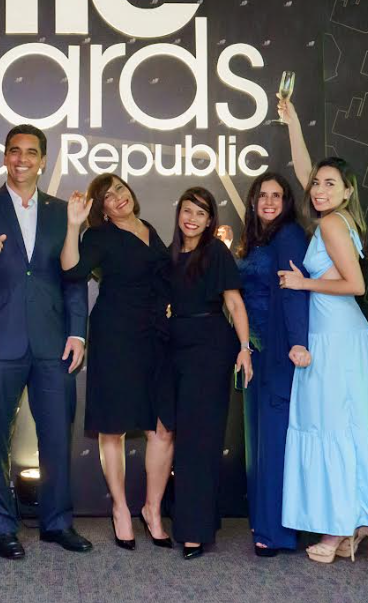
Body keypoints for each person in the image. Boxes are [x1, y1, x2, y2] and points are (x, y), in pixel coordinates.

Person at [0, 125, 91, 560]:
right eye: (14, 151)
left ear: (43, 160)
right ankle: (2, 526)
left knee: (57, 436)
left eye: (30, 152)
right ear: (5, 157)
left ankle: (57, 522)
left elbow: (74, 277)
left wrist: (77, 331)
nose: (21, 159)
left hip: (52, 342)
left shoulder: (64, 211)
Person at [278, 97, 368, 564]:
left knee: (331, 429)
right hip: (340, 336)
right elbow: (306, 171)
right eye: (316, 183)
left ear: (347, 192)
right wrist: (293, 123)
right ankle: (355, 524)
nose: (319, 189)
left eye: (331, 184)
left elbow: (355, 285)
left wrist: (301, 282)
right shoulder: (340, 218)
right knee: (343, 429)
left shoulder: (330, 224)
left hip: (337, 339)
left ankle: (336, 531)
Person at [61, 174, 173, 550]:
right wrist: (73, 226)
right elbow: (72, 271)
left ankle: (152, 510)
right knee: (113, 428)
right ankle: (121, 509)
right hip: (116, 337)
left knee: (162, 427)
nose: (118, 198)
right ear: (103, 209)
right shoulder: (99, 236)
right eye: (108, 197)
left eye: (120, 189)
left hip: (155, 337)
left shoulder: (149, 228)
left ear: (130, 191)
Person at [165, 186, 253, 559]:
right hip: (175, 349)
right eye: (188, 210)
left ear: (209, 220)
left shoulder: (215, 252)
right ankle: (199, 520)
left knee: (199, 441)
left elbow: (234, 302)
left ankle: (194, 532)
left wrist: (245, 348)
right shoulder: (170, 254)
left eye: (201, 213)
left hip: (210, 349)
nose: (192, 219)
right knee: (184, 439)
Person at [234, 173, 311, 557]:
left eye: (276, 195)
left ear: (287, 202)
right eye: (262, 195)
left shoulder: (289, 236)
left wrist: (298, 342)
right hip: (255, 352)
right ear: (253, 200)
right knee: (258, 442)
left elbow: (295, 292)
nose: (268, 201)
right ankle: (263, 521)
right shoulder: (256, 239)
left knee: (275, 442)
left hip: (280, 351)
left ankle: (277, 532)